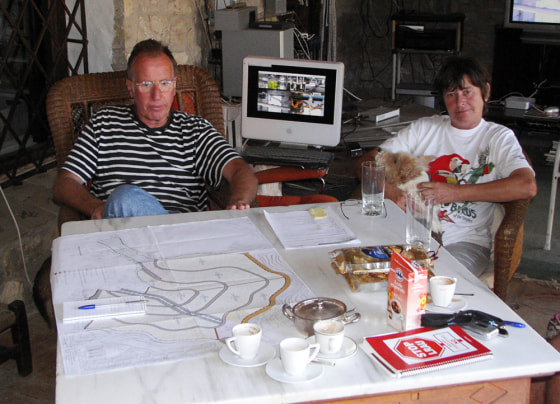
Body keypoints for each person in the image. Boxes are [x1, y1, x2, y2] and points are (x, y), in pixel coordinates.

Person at [53, 39, 257, 219]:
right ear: (131, 88)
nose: (157, 95)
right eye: (146, 84)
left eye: (165, 83)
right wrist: (95, 207)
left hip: (180, 231)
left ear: (174, 86)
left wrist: (238, 202)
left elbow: (240, 170)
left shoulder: (195, 130)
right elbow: (65, 183)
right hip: (121, 235)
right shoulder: (104, 123)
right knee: (125, 199)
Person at [377, 56, 537, 276]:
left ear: (486, 92)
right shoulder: (425, 128)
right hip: (409, 233)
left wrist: (456, 192)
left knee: (438, 281)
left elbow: (526, 186)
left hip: (465, 242)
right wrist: (391, 190)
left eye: (467, 92)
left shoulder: (498, 137)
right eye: (451, 94)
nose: (460, 102)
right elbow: (370, 163)